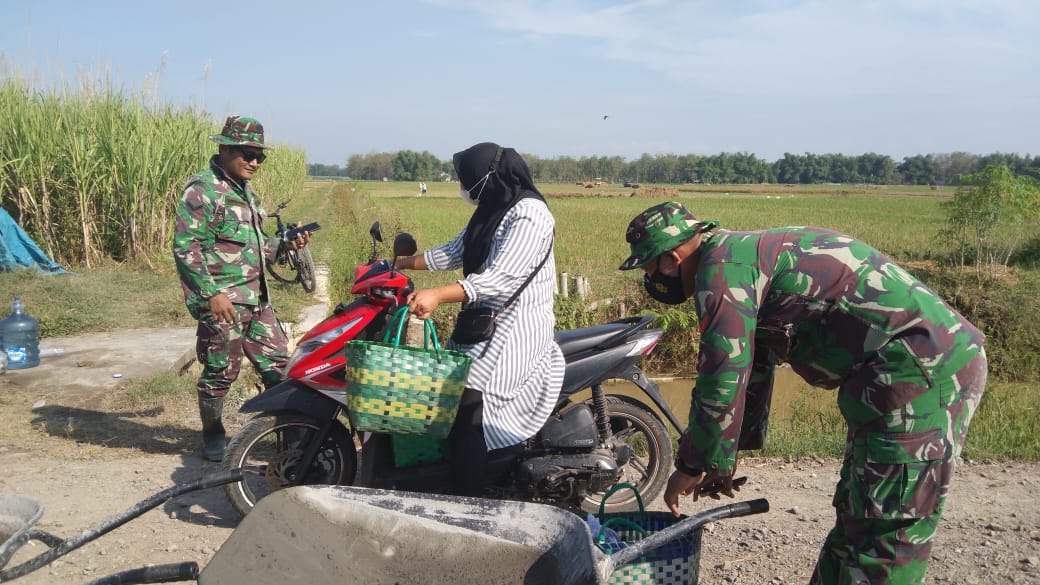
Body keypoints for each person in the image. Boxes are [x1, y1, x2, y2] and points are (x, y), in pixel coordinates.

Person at [618, 201, 987, 585]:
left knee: (884, 536)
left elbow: (721, 379)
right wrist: (723, 458)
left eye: (649, 267)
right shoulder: (737, 257)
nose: (651, 279)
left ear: (673, 257)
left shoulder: (721, 273)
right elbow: (753, 366)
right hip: (892, 381)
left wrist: (691, 465)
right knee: (857, 515)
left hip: (922, 375)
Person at [395, 142, 564, 496]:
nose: (464, 188)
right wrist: (399, 265)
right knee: (451, 393)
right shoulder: (492, 208)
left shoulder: (529, 214)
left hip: (516, 327)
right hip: (484, 322)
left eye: (467, 180)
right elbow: (455, 251)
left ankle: (474, 494)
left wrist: (439, 294)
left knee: (469, 403)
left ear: (490, 177)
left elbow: (500, 278)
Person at [173, 115, 312, 462]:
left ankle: (291, 440)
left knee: (280, 368)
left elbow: (258, 248)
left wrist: (285, 246)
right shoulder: (203, 190)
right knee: (221, 372)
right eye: (247, 154)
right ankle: (213, 435)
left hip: (257, 300)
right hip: (224, 302)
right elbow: (186, 248)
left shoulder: (246, 193)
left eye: (259, 156)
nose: (254, 162)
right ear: (224, 149)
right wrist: (211, 294)